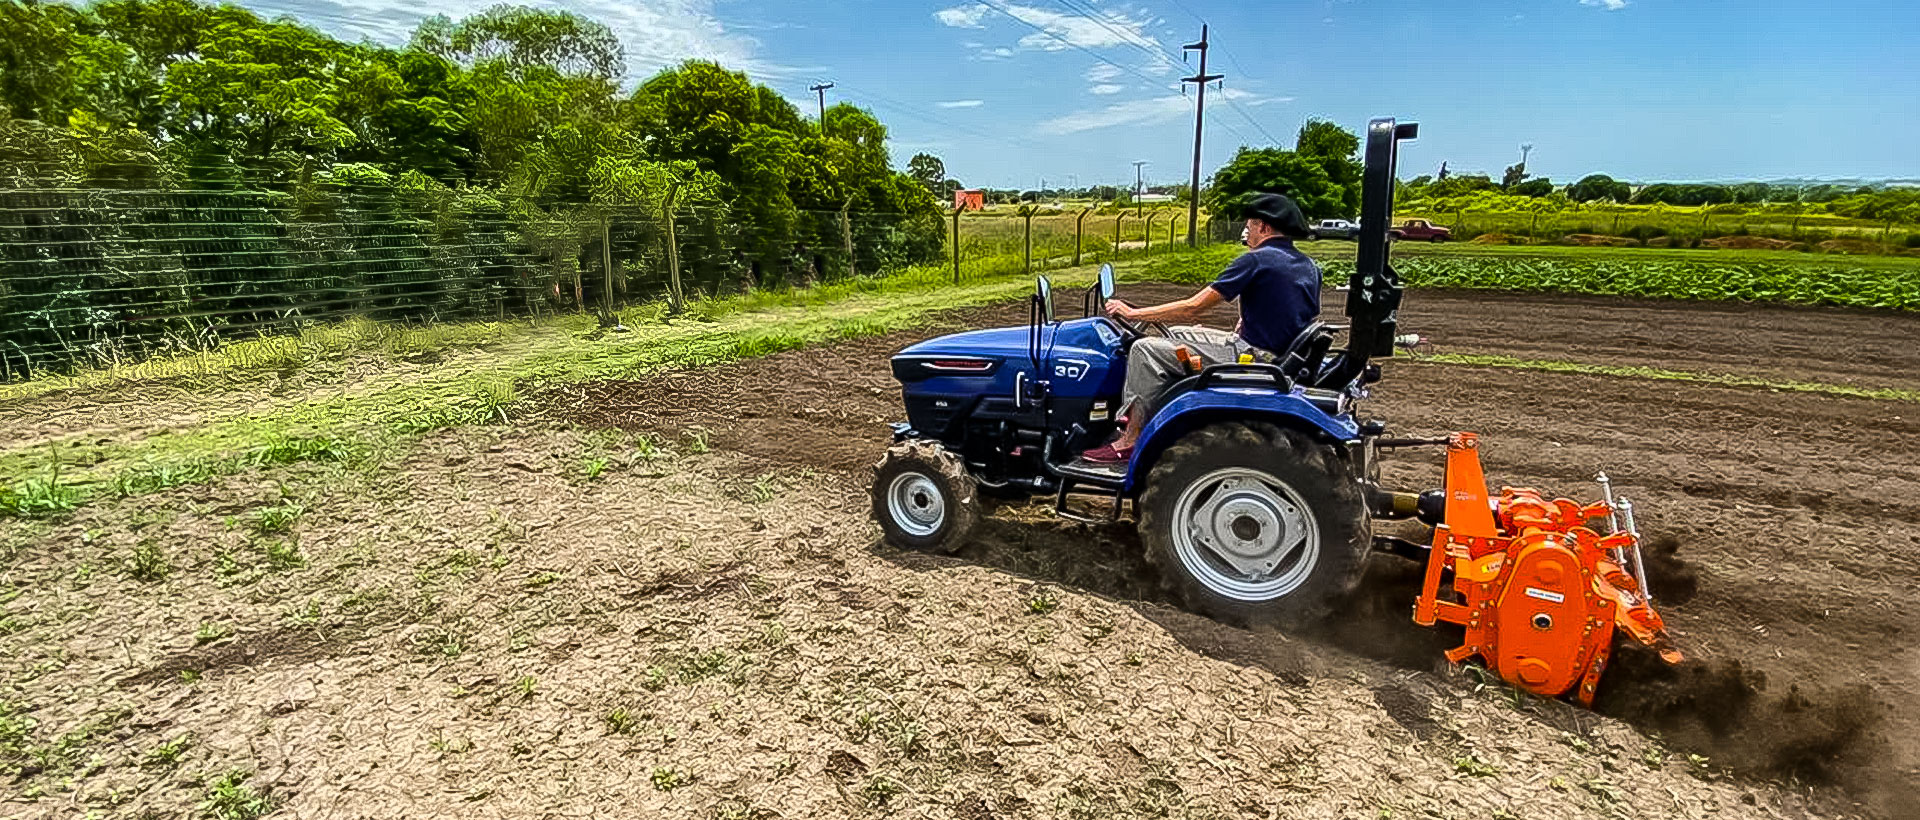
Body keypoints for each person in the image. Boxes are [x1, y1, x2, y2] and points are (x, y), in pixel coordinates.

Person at [1081, 193, 1322, 464]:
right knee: (1180, 333)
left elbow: (1194, 306)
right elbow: (1300, 310)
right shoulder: (1308, 265)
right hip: (1273, 350)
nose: (1247, 232)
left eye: (1250, 225)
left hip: (1252, 356)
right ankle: (1155, 405)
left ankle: (1130, 439)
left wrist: (1132, 312)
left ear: (1264, 227)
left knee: (1143, 348)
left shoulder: (1257, 260)